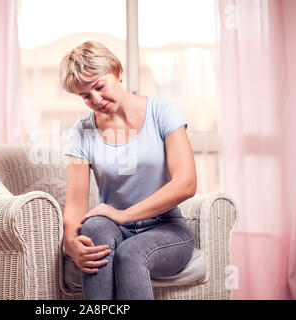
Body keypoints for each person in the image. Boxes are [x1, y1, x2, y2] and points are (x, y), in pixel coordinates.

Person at [59, 40, 196, 300]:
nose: (96, 99)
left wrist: (124, 215)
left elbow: (186, 183)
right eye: (85, 96)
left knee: (131, 253)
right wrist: (71, 242)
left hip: (166, 227)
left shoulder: (162, 112)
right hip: (112, 227)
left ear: (117, 71)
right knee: (94, 228)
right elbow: (76, 201)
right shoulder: (82, 131)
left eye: (99, 86)